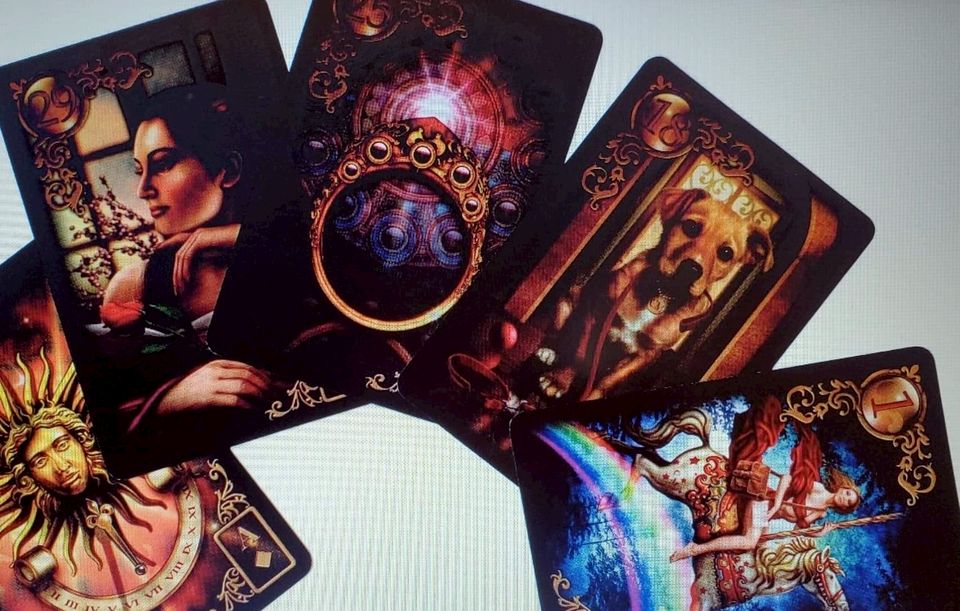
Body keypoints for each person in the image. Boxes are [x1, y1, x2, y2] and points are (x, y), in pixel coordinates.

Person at [99, 86, 270, 426]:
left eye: (163, 164)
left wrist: (229, 236)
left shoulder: (284, 253)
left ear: (228, 170)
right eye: (139, 170)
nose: (143, 189)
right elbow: (107, 422)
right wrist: (170, 402)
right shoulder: (134, 286)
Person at [669, 398, 861, 563]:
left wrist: (817, 534)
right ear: (843, 488)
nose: (845, 498)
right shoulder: (819, 489)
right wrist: (776, 506)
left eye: (848, 501)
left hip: (767, 515)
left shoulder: (821, 513)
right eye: (847, 493)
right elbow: (787, 479)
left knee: (762, 552)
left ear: (844, 508)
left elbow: (797, 528)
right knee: (749, 541)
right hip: (764, 501)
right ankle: (696, 549)